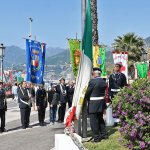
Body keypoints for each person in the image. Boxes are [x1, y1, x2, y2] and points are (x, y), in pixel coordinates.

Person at [85, 68, 108, 142]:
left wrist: (85, 97)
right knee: (100, 119)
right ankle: (104, 134)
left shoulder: (92, 81)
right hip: (101, 103)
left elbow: (88, 92)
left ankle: (96, 137)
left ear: (94, 74)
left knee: (94, 121)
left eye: (92, 74)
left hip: (93, 103)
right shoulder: (103, 81)